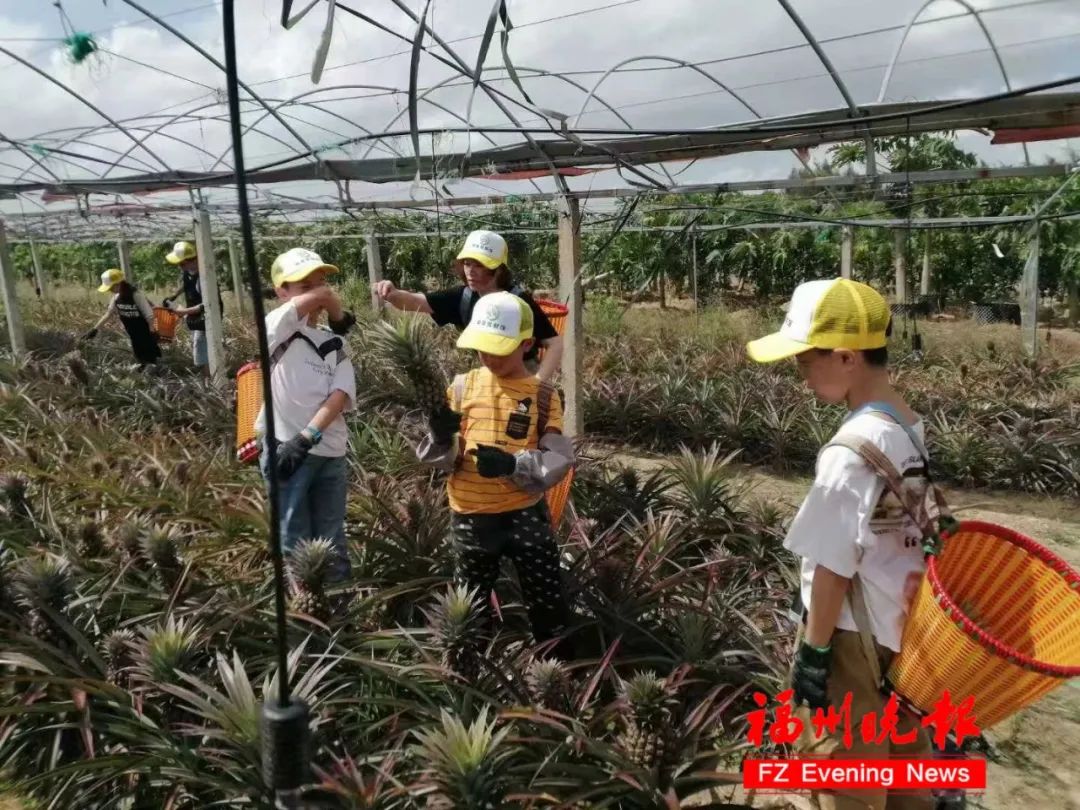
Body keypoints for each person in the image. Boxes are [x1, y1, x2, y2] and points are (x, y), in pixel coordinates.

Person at [746, 278, 933, 810]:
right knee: (903, 764)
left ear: (847, 358)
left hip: (850, 637)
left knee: (844, 776)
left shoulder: (849, 452)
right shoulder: (907, 425)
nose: (801, 375)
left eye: (805, 361)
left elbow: (831, 567)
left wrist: (814, 653)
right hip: (900, 626)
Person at [416, 291, 574, 652]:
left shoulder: (544, 396)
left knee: (546, 595)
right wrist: (440, 437)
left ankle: (557, 663)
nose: (488, 356)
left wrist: (513, 465)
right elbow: (446, 458)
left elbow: (557, 458)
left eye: (498, 349)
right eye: (482, 348)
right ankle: (470, 665)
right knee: (470, 603)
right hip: (470, 515)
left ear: (527, 344)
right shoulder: (462, 387)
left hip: (524, 513)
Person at [255, 248, 358, 582]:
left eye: (322, 283)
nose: (318, 292)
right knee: (293, 537)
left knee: (332, 539)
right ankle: (303, 605)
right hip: (284, 447)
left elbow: (339, 395)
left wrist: (307, 436)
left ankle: (338, 604)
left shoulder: (333, 341)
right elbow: (307, 306)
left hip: (327, 451)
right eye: (305, 286)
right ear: (281, 292)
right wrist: (330, 302)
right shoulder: (274, 329)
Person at [372, 230, 564, 381]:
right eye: (467, 263)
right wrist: (392, 294)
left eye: (479, 265)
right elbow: (416, 301)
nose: (471, 271)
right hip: (486, 373)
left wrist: (538, 382)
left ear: (499, 269)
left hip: (522, 374)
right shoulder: (463, 297)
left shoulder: (519, 302)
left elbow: (554, 343)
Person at [162, 241, 222, 375]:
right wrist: (175, 295)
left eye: (182, 264)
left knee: (203, 354)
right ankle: (208, 379)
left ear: (194, 260)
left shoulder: (204, 278)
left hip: (207, 321)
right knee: (201, 350)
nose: (180, 267)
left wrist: (183, 312)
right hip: (196, 319)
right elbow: (187, 284)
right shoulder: (189, 271)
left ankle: (211, 381)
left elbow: (208, 305)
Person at [83, 268, 161, 369]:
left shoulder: (136, 295)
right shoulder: (116, 298)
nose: (110, 290)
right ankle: (145, 367)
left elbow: (149, 315)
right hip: (132, 332)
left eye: (111, 287)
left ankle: (155, 369)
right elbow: (108, 314)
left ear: (119, 284)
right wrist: (94, 330)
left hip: (145, 331)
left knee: (150, 353)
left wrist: (152, 331)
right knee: (138, 352)